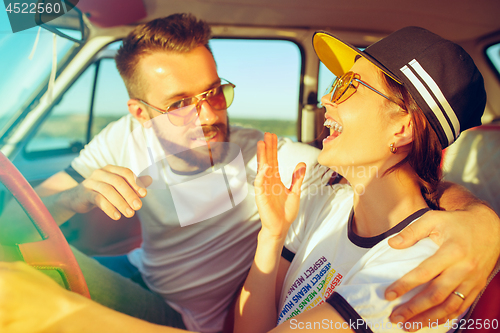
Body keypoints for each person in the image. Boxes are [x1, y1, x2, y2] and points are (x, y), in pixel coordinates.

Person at [1, 16, 499, 333]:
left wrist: (482, 221)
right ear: (139, 113)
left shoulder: (275, 161)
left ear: (402, 127)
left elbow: (419, 199)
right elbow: (16, 222)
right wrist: (72, 200)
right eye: (178, 104)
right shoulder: (326, 206)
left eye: (214, 91)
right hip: (144, 275)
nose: (207, 115)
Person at [234, 26, 500, 333]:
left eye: (350, 86)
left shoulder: (418, 265)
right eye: (336, 83)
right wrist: (272, 235)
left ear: (403, 129)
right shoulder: (326, 202)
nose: (325, 98)